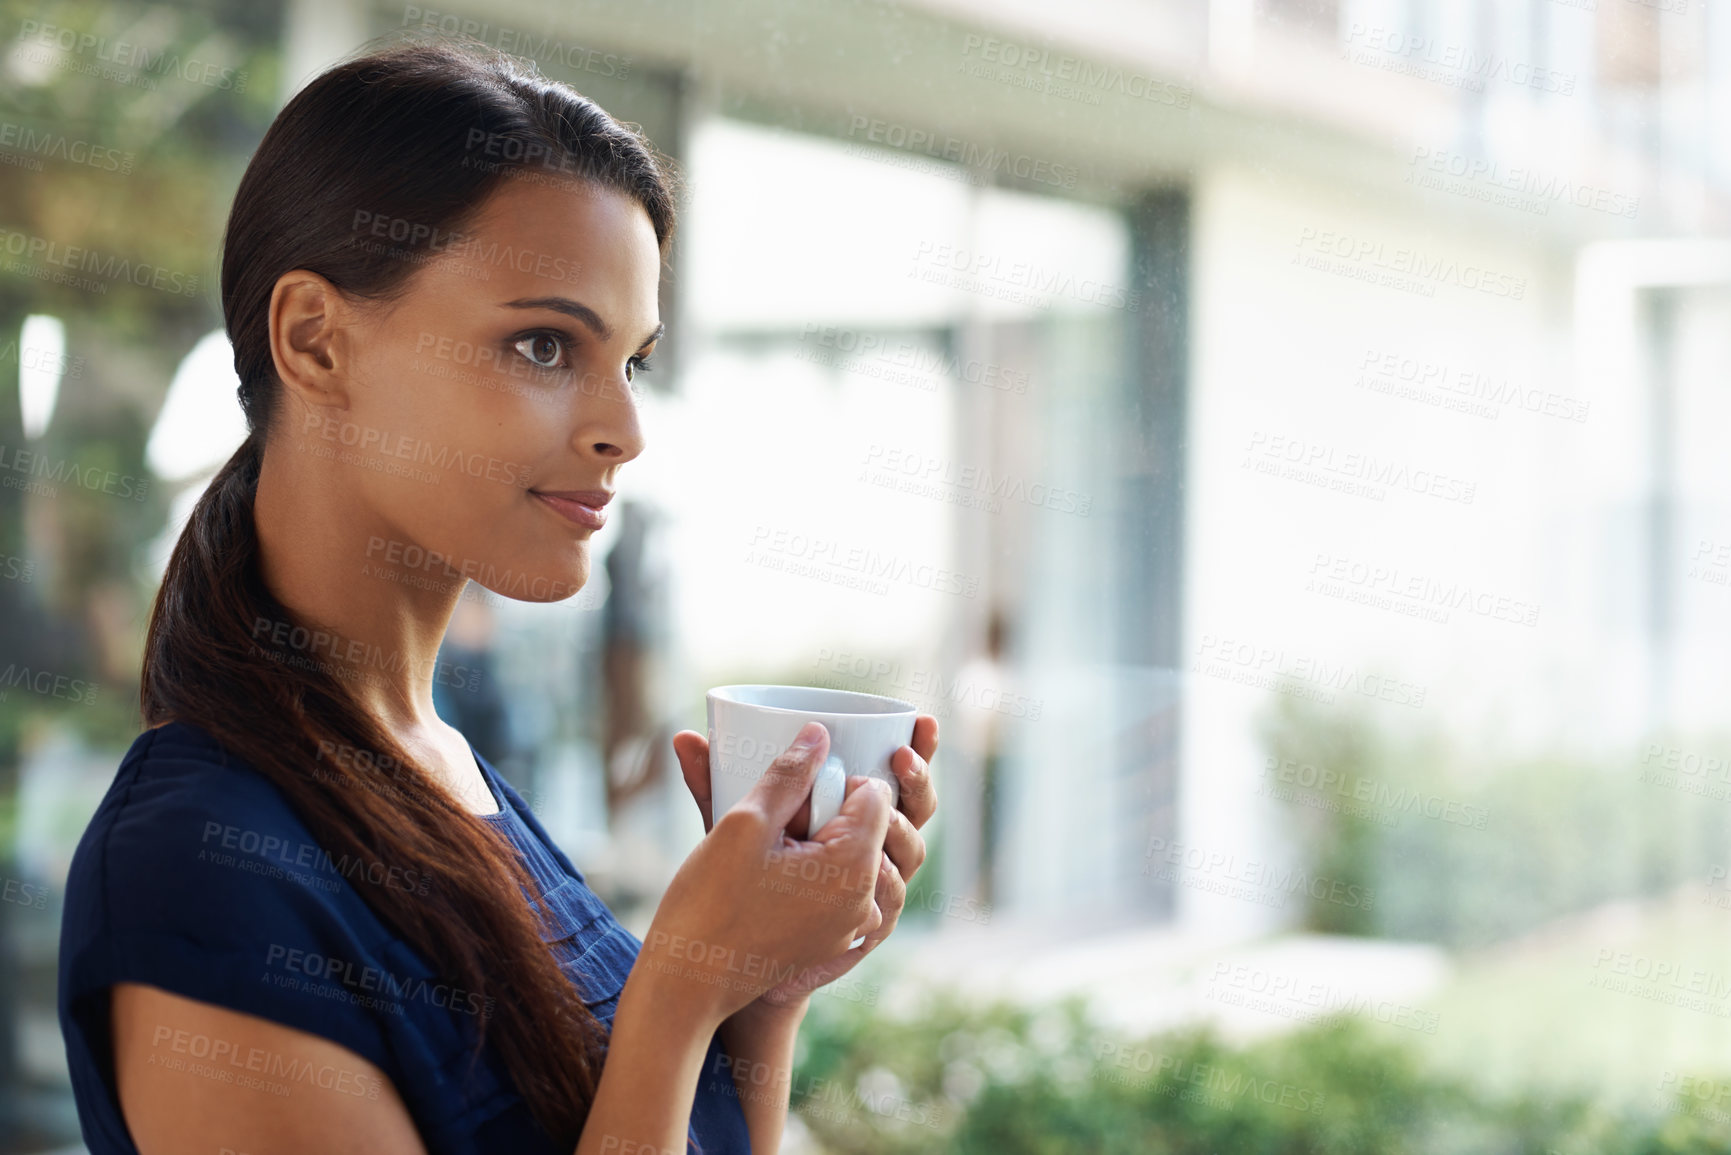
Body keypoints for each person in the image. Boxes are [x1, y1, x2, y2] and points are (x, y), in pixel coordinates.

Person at [55, 36, 939, 1155]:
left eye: (633, 361)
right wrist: (670, 995)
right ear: (315, 341)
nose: (623, 429)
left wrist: (759, 993)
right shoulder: (199, 867)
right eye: (543, 344)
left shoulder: (449, 776)